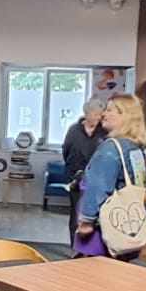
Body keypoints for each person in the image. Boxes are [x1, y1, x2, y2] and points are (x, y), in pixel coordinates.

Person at [75, 93, 146, 260]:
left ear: (125, 116)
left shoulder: (111, 148)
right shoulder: (140, 148)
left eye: (110, 110)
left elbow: (98, 187)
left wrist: (86, 221)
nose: (104, 114)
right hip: (130, 224)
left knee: (88, 272)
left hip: (104, 228)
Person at [60, 97, 107, 240]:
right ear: (87, 113)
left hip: (98, 179)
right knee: (76, 213)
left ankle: (91, 246)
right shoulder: (74, 130)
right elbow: (66, 151)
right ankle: (75, 245)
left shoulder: (104, 132)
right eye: (95, 114)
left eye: (100, 115)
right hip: (76, 178)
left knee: (95, 215)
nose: (98, 118)